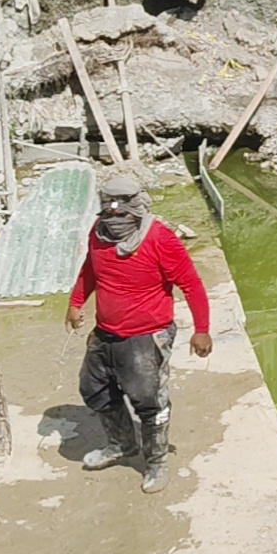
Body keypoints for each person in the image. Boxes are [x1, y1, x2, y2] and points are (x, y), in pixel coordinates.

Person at [67, 176, 213, 494]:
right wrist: (76, 302)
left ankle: (156, 462)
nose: (115, 219)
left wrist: (202, 330)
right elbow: (90, 269)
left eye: (123, 214)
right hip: (106, 333)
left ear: (137, 210)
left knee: (150, 403)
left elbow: (192, 284)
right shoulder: (98, 234)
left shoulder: (160, 239)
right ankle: (122, 444)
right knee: (94, 389)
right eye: (110, 213)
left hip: (147, 336)